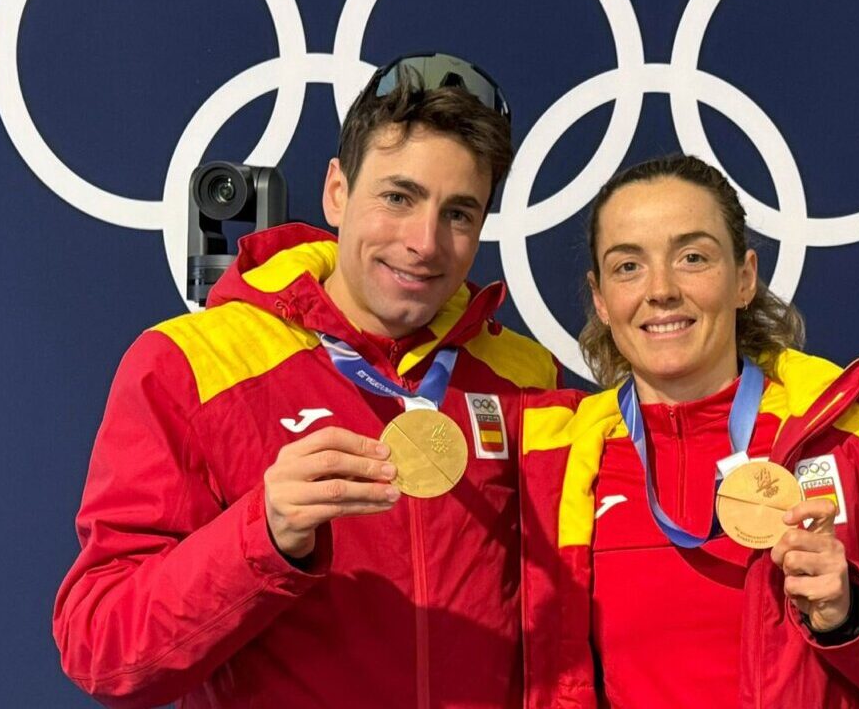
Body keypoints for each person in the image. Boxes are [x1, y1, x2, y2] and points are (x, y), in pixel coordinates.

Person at [53, 53, 563, 708]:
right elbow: (102, 651)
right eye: (398, 197)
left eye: (459, 214)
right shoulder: (188, 364)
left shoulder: (524, 376)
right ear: (337, 191)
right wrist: (261, 534)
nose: (425, 242)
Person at [519, 155, 859, 707]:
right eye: (628, 266)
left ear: (744, 278)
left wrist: (854, 612)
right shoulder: (553, 465)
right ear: (601, 299)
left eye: (692, 257)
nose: (661, 290)